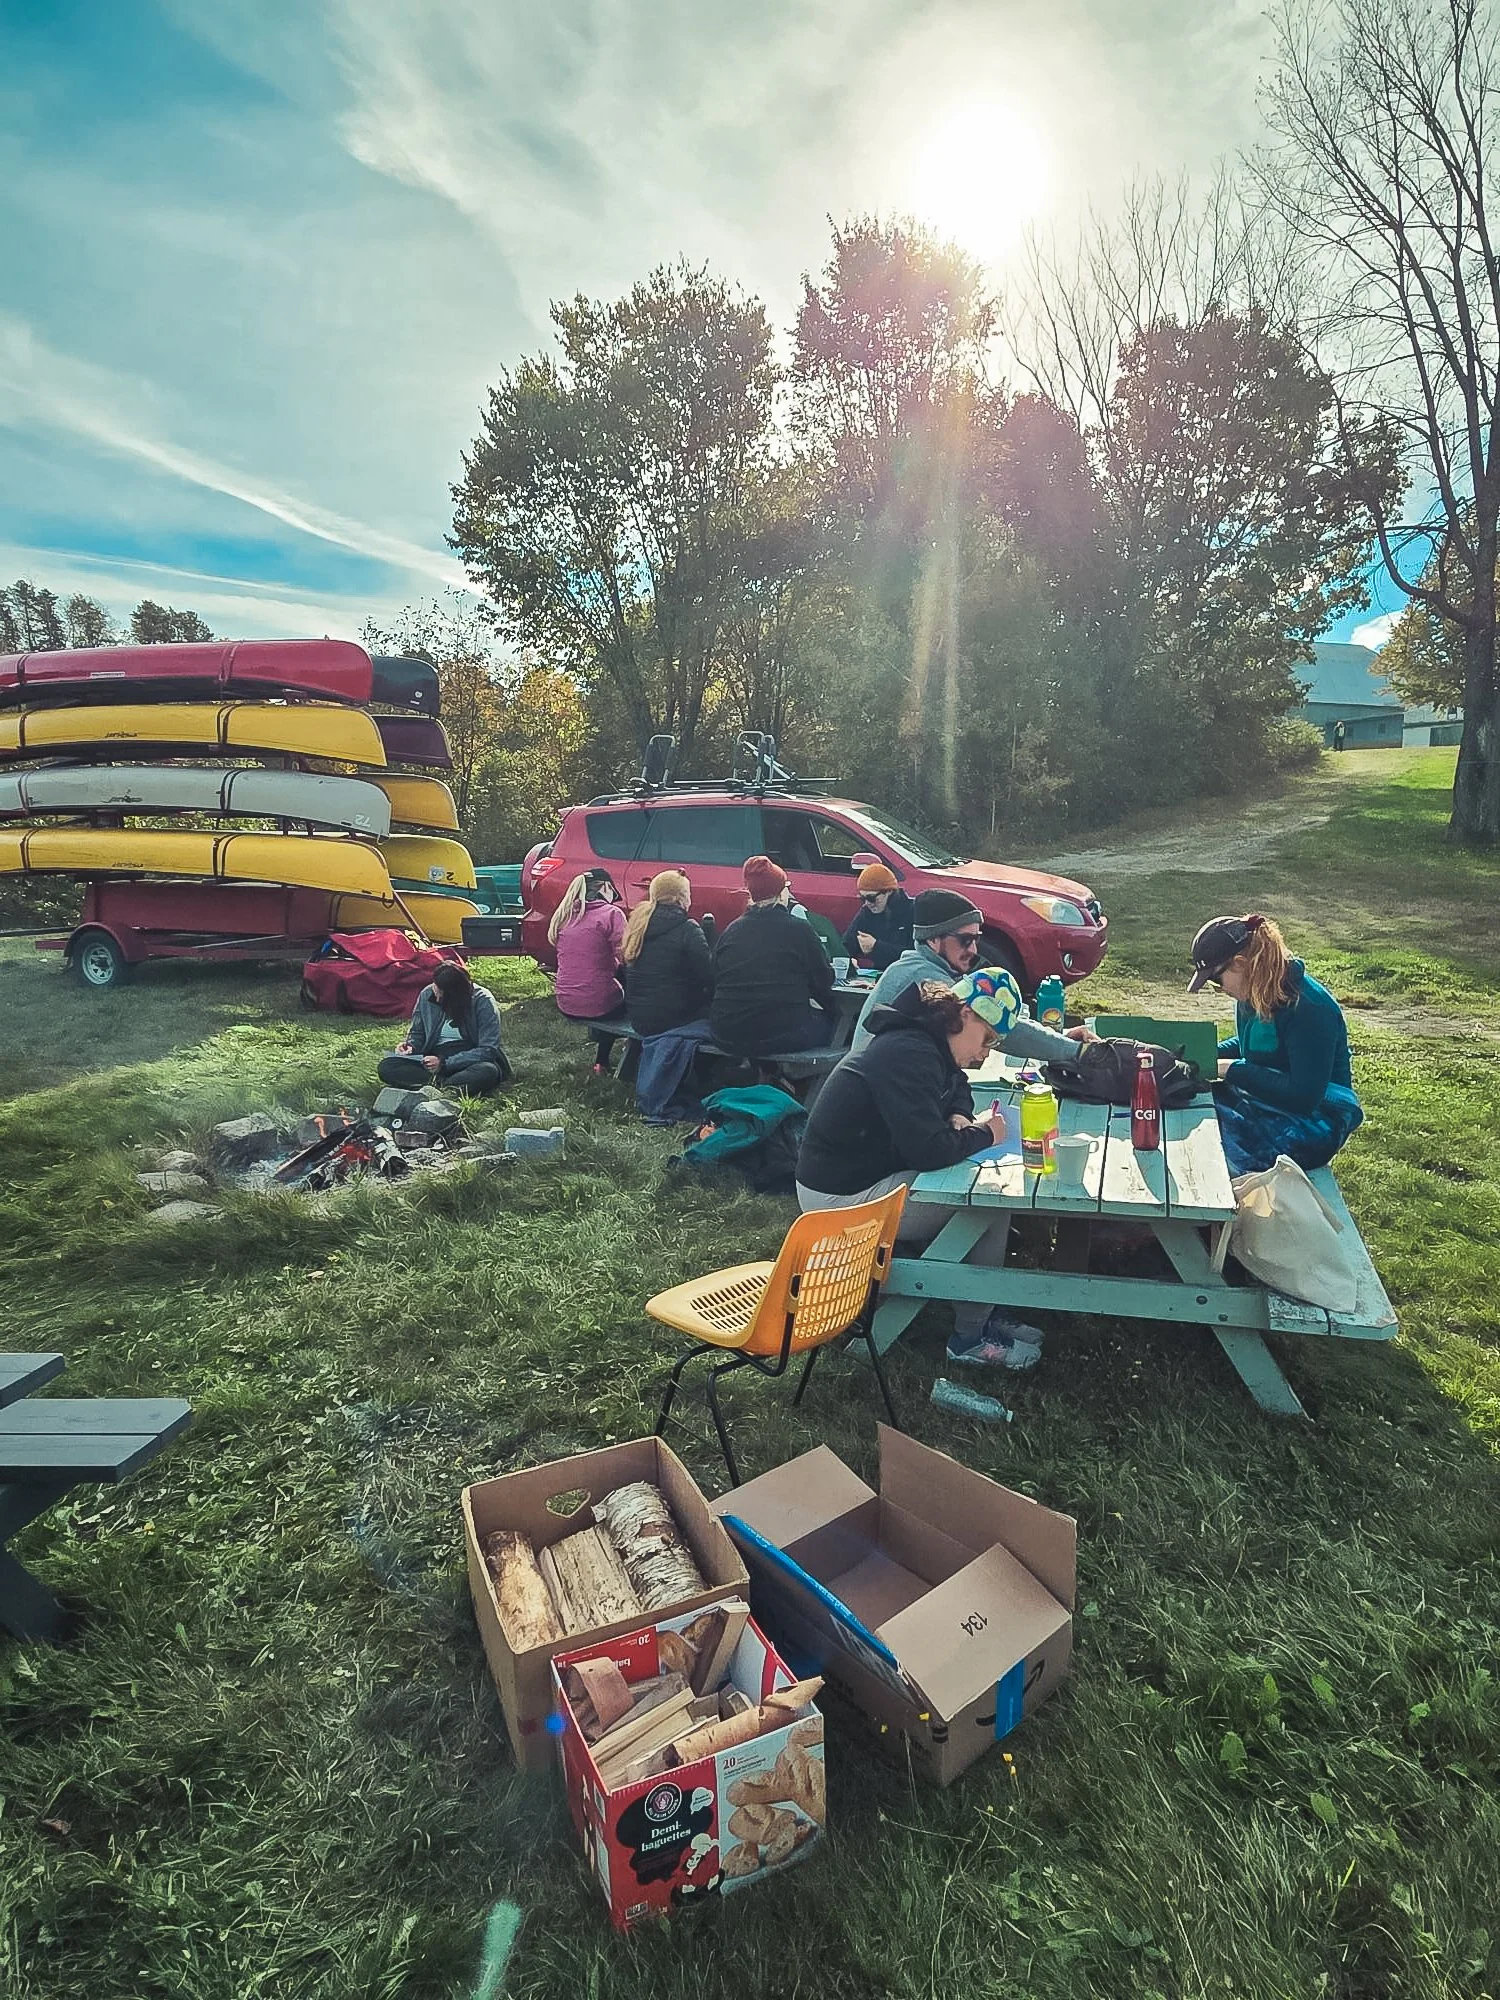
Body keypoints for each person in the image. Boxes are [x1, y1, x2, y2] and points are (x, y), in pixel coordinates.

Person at [797, 967, 1045, 1369]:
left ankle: (980, 1308)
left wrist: (961, 1115)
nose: (985, 1053)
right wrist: (985, 1134)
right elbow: (929, 1150)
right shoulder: (909, 1053)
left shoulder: (924, 1038)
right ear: (965, 1014)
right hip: (838, 1197)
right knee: (985, 1203)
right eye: (987, 1039)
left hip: (863, 1175)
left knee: (977, 1188)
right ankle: (970, 1335)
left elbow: (957, 1085)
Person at [1188, 913, 1363, 1177]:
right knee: (1191, 1107)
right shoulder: (1252, 992)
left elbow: (1303, 1096)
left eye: (1216, 980)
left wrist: (1228, 1069)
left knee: (1213, 1157)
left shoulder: (1309, 1007)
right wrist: (1201, 1053)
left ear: (1239, 963)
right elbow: (1252, 1046)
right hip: (1268, 1101)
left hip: (1317, 1121)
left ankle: (1211, 1214)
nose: (1220, 988)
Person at [850, 887, 1092, 1064]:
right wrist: (1075, 1051)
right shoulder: (926, 980)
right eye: (965, 940)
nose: (974, 950)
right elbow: (1001, 1029)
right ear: (933, 939)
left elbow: (998, 1025)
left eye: (976, 940)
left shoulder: (921, 965)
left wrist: (1059, 1037)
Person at [709, 855, 838, 1057]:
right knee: (837, 1028)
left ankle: (758, 1074)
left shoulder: (731, 931)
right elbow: (823, 981)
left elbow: (715, 977)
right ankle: (799, 1083)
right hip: (782, 1033)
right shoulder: (799, 930)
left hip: (727, 1033)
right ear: (781, 893)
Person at [622, 870, 715, 1124]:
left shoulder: (637, 924)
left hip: (639, 1017)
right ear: (682, 898)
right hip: (674, 1019)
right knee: (721, 1018)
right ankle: (717, 1079)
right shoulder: (688, 929)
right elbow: (709, 977)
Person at [378, 962, 510, 1097]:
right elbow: (417, 1032)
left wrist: (444, 1063)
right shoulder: (427, 994)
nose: (436, 998)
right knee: (387, 1066)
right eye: (435, 991)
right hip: (432, 1057)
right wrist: (411, 1047)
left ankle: (436, 1086)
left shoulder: (483, 1001)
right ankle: (446, 1086)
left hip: (469, 1058)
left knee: (488, 1071)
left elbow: (488, 1050)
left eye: (441, 996)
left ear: (455, 995)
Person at [550, 868, 627, 1072]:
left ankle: (600, 1054)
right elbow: (628, 957)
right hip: (597, 1003)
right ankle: (605, 1060)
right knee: (633, 1001)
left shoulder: (565, 916)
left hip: (565, 1001)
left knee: (600, 983)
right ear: (606, 887)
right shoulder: (612, 914)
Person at [841, 862, 915, 972]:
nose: (867, 903)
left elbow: (917, 956)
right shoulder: (866, 912)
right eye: (862, 898)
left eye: (871, 898)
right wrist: (848, 960)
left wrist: (876, 947)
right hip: (880, 976)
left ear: (889, 891)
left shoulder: (913, 911)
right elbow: (846, 945)